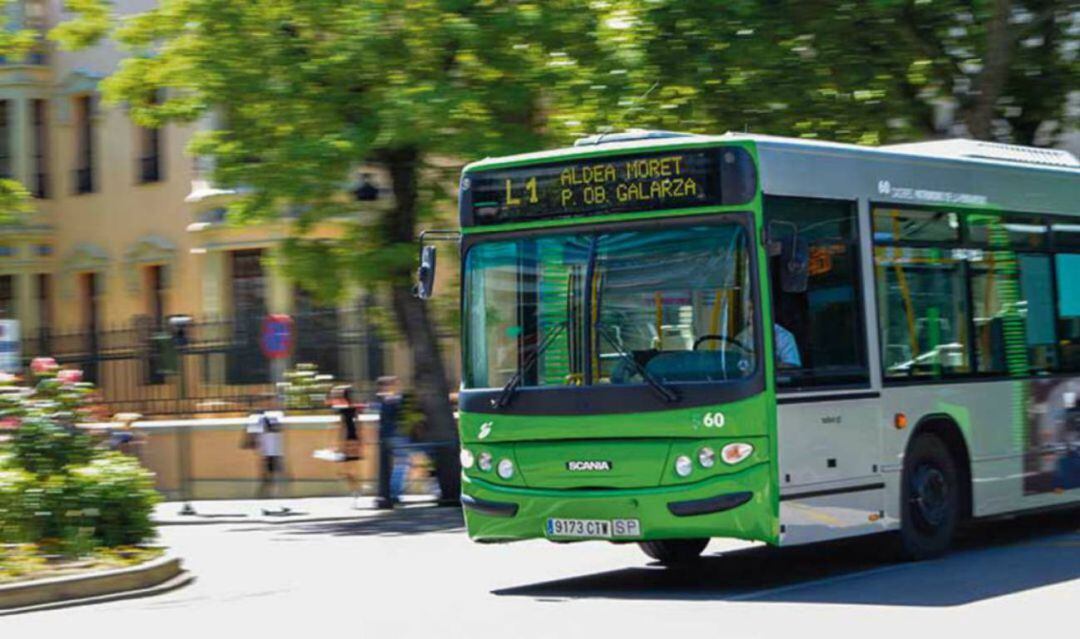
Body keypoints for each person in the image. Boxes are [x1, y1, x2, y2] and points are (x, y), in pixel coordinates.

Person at [248, 409, 289, 515]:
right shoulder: (261, 420)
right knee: (268, 481)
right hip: (269, 454)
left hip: (274, 453)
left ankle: (276, 504)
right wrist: (261, 454)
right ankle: (261, 506)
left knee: (275, 480)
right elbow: (256, 440)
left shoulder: (273, 417)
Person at [374, 376, 406, 509]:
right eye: (393, 384)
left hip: (386, 437)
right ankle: (394, 493)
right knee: (401, 465)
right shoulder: (392, 400)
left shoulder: (380, 401)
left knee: (398, 466)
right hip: (396, 436)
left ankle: (393, 493)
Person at [330, 385, 363, 503]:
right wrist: (360, 441)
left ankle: (356, 490)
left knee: (345, 470)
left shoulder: (342, 410)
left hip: (347, 441)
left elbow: (341, 428)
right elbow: (359, 426)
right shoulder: (354, 409)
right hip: (354, 440)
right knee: (351, 469)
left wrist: (339, 444)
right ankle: (356, 489)